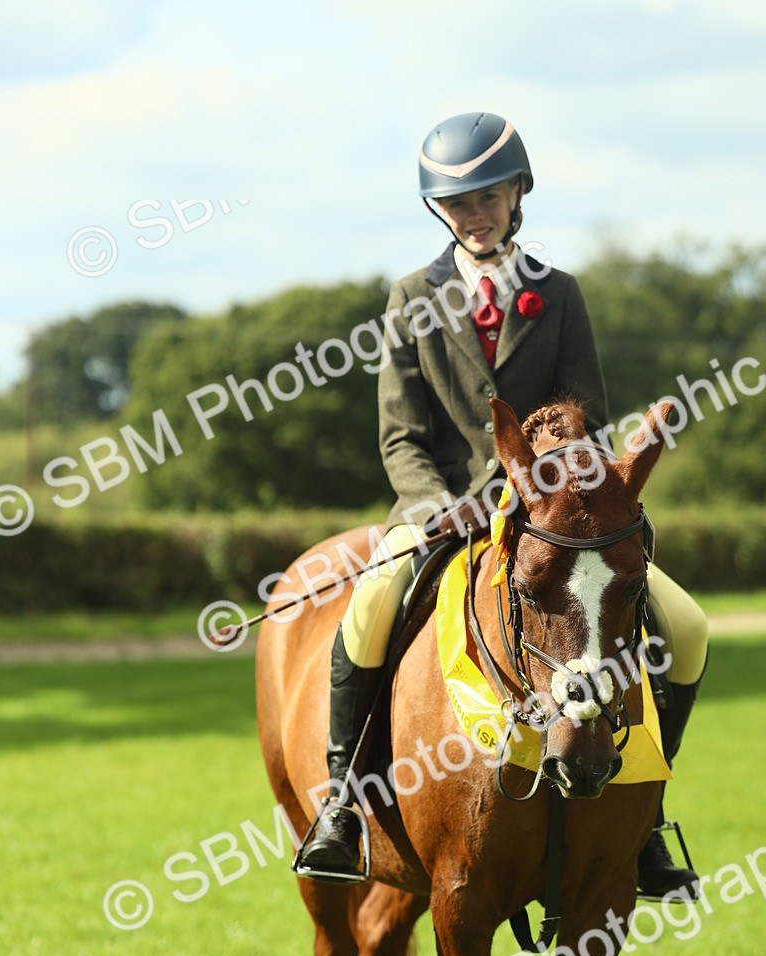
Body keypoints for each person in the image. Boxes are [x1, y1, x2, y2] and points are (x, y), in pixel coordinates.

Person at [299, 111, 707, 897]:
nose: (475, 213)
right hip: (439, 513)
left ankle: (646, 816)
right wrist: (438, 504)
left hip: (550, 519)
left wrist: (541, 494)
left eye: (488, 196)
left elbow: (582, 412)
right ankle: (342, 808)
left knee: (684, 628)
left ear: (519, 195)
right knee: (369, 608)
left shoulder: (560, 295)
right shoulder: (410, 296)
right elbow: (399, 437)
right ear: (439, 212)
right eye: (458, 204)